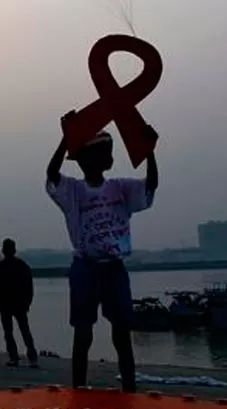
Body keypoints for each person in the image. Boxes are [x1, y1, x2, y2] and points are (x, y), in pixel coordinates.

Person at [45, 116, 159, 392]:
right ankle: (79, 388)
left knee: (122, 332)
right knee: (83, 333)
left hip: (114, 267)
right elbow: (52, 174)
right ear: (87, 160)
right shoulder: (73, 191)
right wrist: (66, 139)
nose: (108, 158)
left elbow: (151, 185)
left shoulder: (120, 188)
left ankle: (129, 388)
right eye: (103, 153)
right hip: (85, 266)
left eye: (109, 153)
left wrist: (150, 152)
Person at [0, 238, 39, 367]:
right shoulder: (22, 266)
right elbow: (29, 287)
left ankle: (14, 357)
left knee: (10, 332)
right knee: (24, 331)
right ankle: (31, 358)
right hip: (18, 303)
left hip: (7, 303)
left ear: (3, 251)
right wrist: (28, 302)